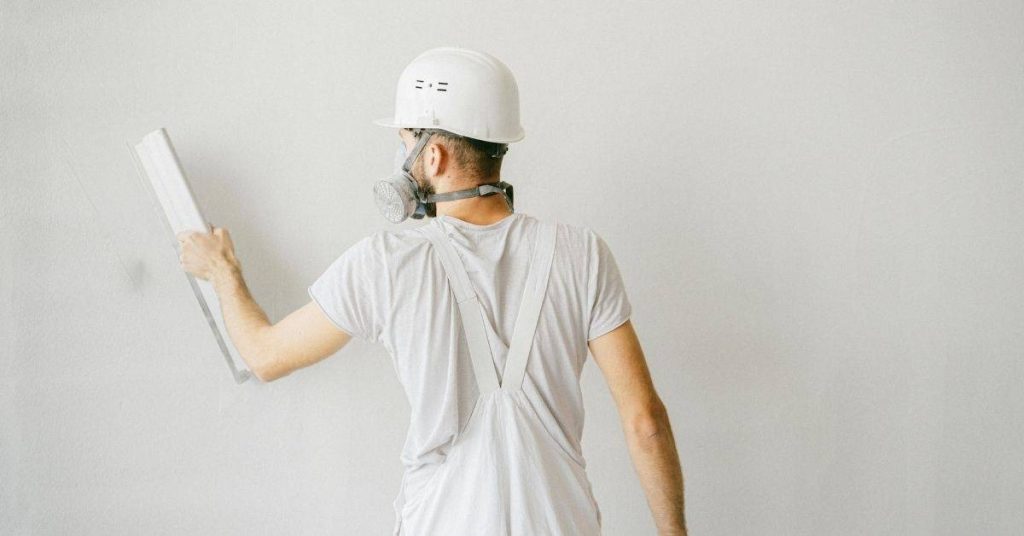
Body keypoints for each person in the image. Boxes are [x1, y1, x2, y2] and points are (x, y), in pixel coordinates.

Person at [176, 46, 687, 536]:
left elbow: (264, 356)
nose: (403, 160)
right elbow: (645, 420)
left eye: (405, 144)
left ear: (435, 155)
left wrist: (223, 272)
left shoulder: (385, 263)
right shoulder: (582, 253)